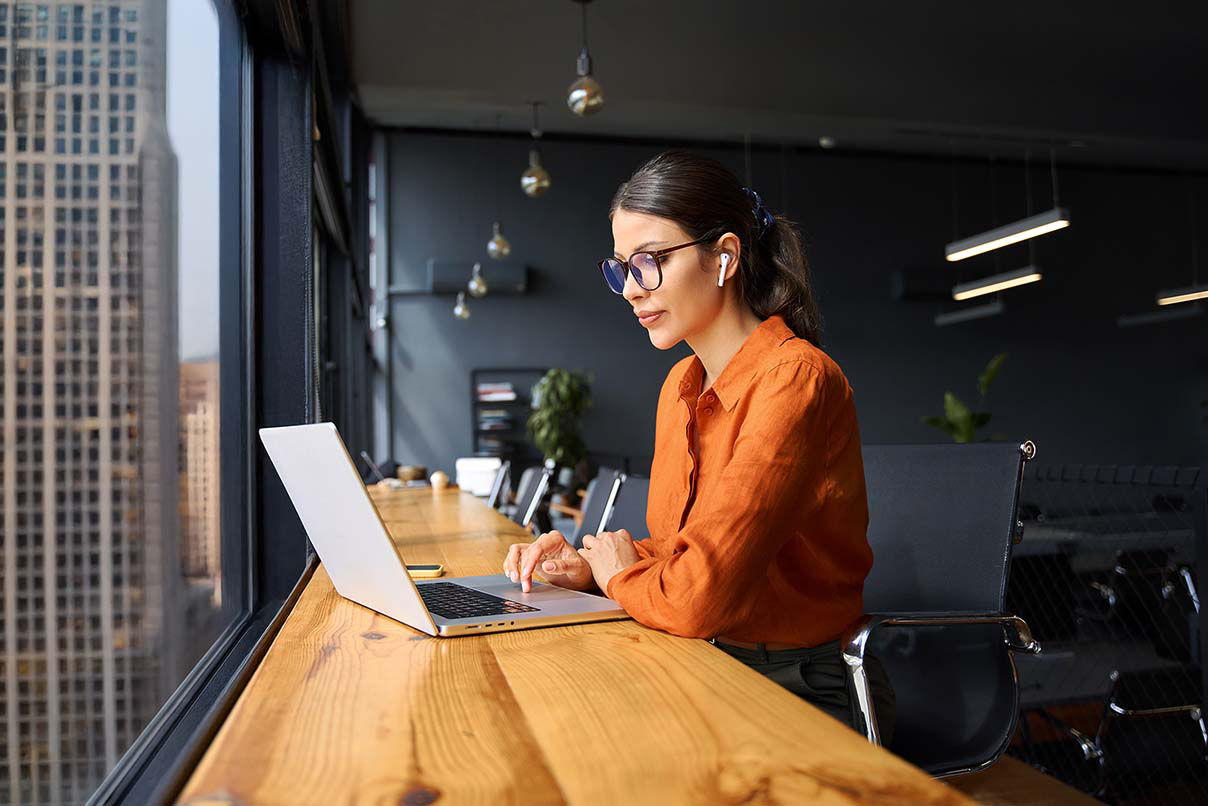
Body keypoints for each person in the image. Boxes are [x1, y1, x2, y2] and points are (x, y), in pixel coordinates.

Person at [502, 150, 895, 742]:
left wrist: (618, 578)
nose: (631, 291)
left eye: (650, 262)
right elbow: (685, 550)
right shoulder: (680, 386)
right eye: (621, 269)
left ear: (725, 257)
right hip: (704, 658)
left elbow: (701, 596)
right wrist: (590, 568)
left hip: (798, 690)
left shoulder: (796, 379)